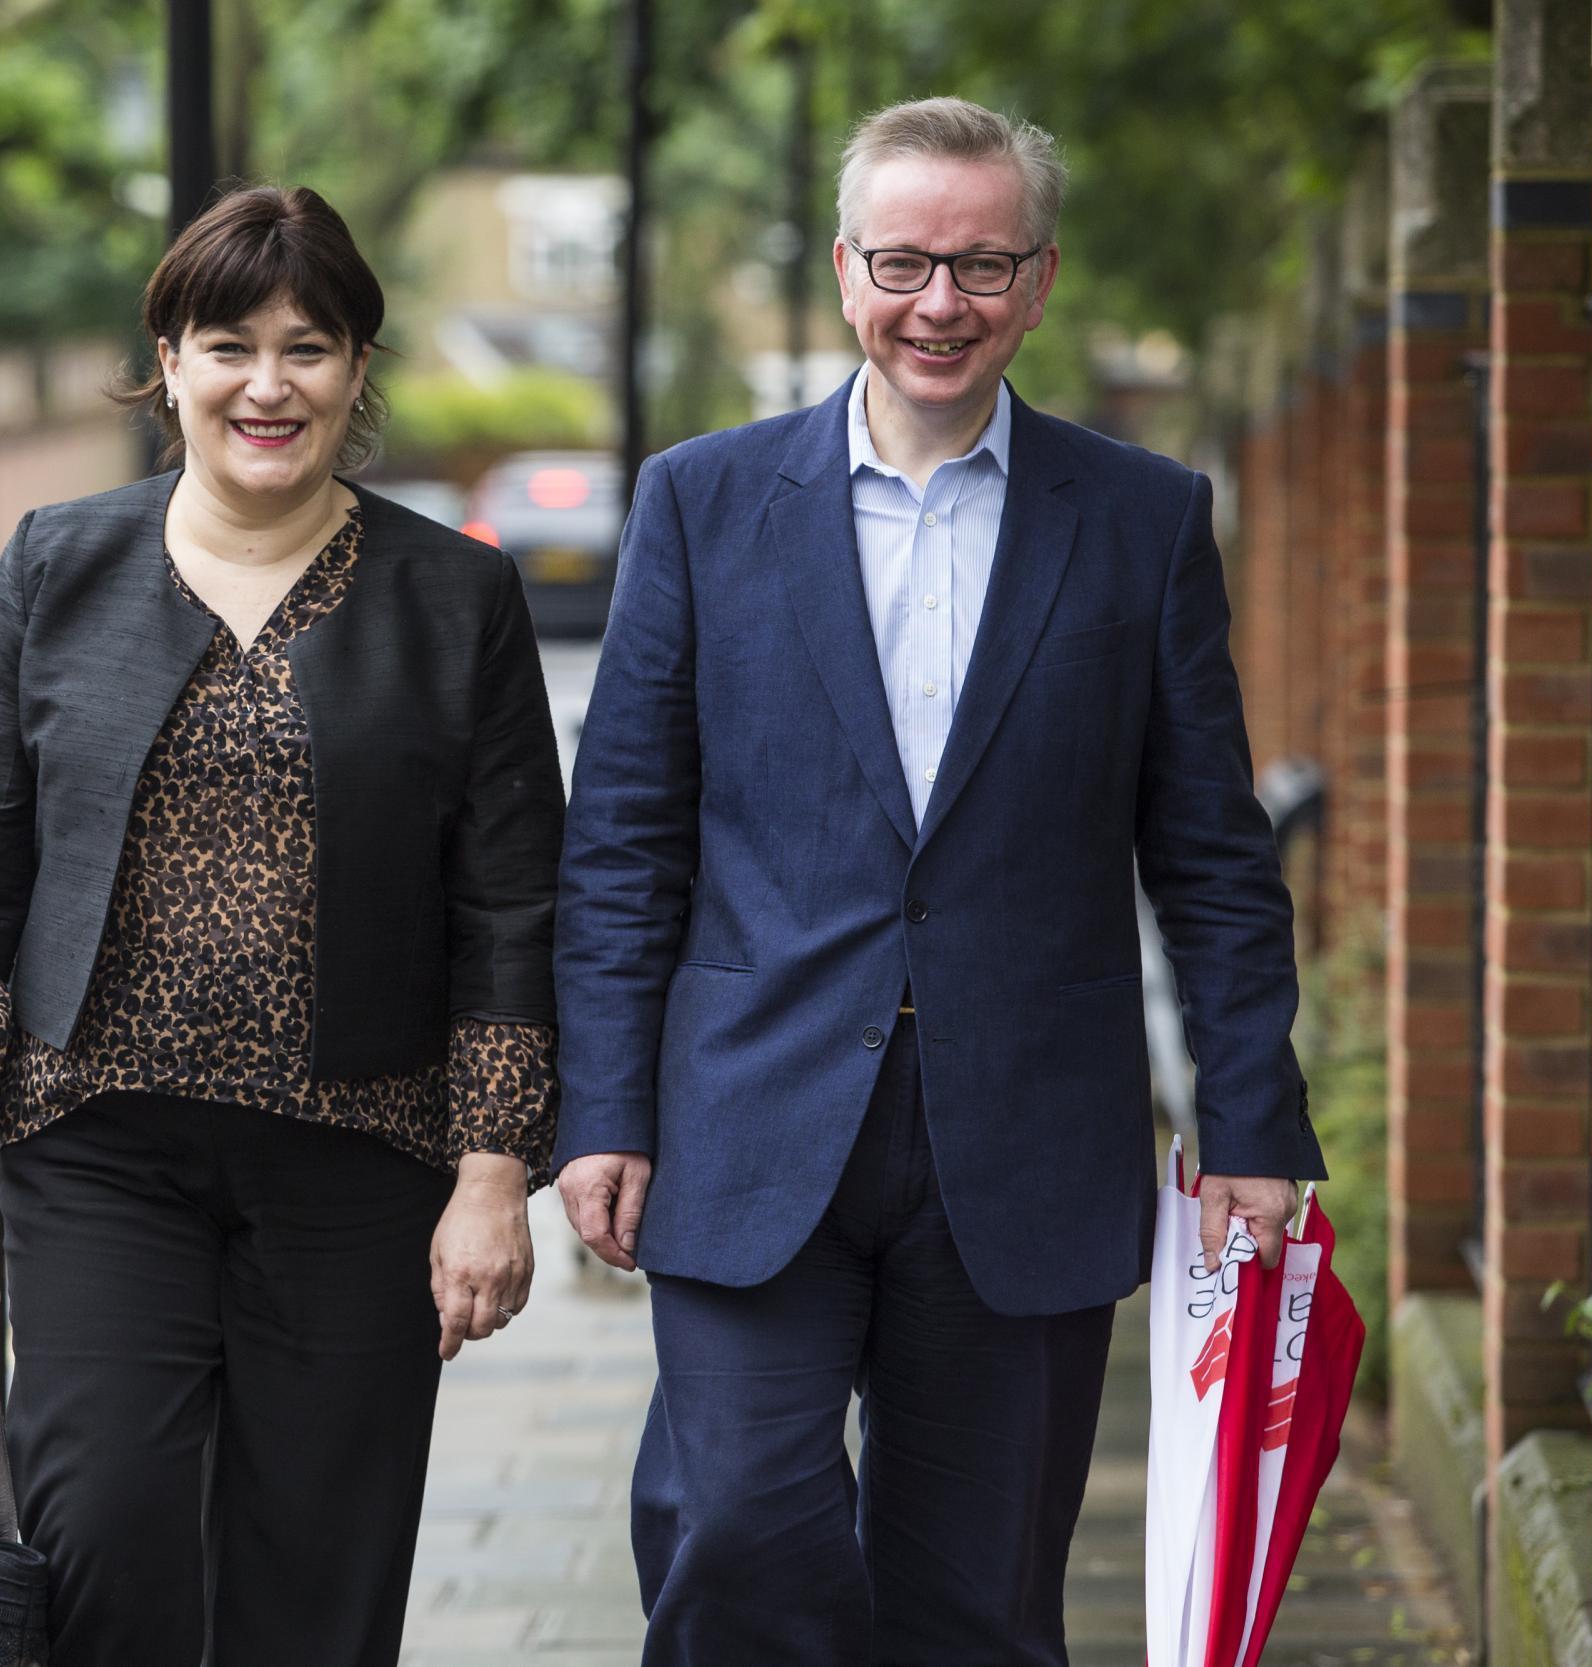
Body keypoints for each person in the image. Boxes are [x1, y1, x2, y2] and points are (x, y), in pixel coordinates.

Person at [552, 97, 1328, 1665]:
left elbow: (1206, 850)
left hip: (1028, 1134)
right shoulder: (701, 503)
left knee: (975, 1599)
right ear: (846, 271)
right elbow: (623, 839)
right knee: (735, 1527)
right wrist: (604, 1111)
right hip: (750, 1115)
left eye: (982, 266)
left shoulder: (1140, 518)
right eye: (904, 262)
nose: (939, 306)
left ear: (1039, 284)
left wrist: (1250, 1114)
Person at [0, 184, 564, 1666]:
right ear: (168, 359)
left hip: (363, 1164)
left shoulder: (460, 597)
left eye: (308, 348)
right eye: (229, 344)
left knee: (320, 1572)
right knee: (101, 1535)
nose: (268, 385)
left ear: (358, 370)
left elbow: (509, 908)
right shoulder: (59, 565)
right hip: (100, 1147)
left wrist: (493, 1169)